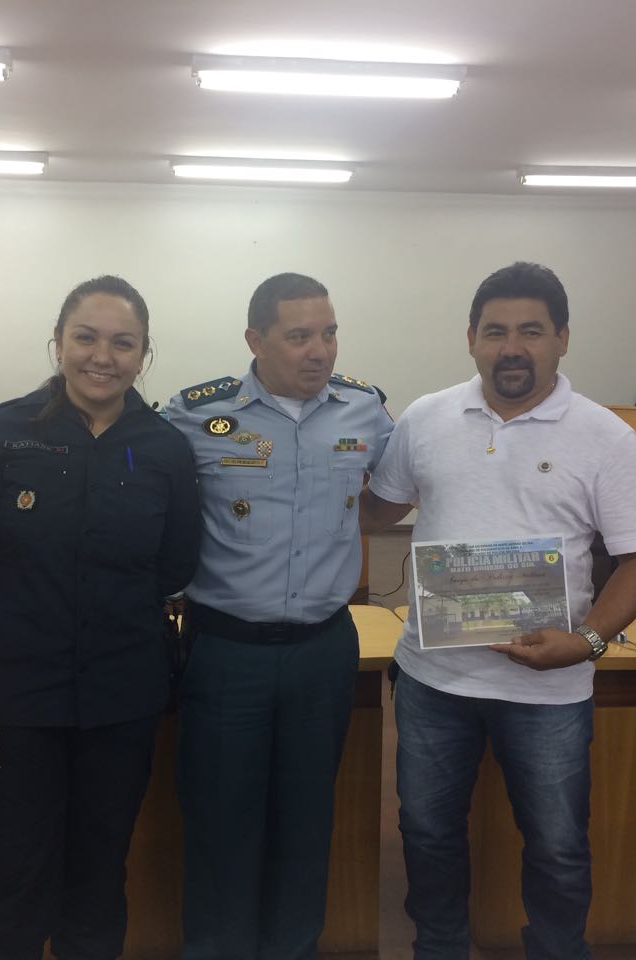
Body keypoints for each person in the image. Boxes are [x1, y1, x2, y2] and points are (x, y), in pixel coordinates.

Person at [360, 261, 636, 960]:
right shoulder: (426, 418)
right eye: (495, 331)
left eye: (531, 330)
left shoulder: (605, 435)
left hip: (550, 691)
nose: (512, 347)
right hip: (434, 682)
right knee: (427, 835)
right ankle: (439, 950)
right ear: (471, 338)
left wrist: (587, 641)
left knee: (557, 848)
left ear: (562, 338)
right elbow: (376, 510)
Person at [0, 275, 201, 960]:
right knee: (12, 882)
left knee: (98, 882)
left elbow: (175, 566)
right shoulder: (7, 431)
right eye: (86, 337)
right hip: (15, 702)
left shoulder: (166, 447)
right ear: (58, 342)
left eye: (123, 343)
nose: (102, 357)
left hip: (121, 698)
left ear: (144, 354)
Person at [163, 272, 394, 960]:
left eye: (328, 333)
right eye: (298, 336)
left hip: (323, 650)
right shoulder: (194, 415)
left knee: (307, 820)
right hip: (226, 651)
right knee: (220, 822)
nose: (319, 350)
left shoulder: (364, 411)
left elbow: (389, 497)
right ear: (255, 340)